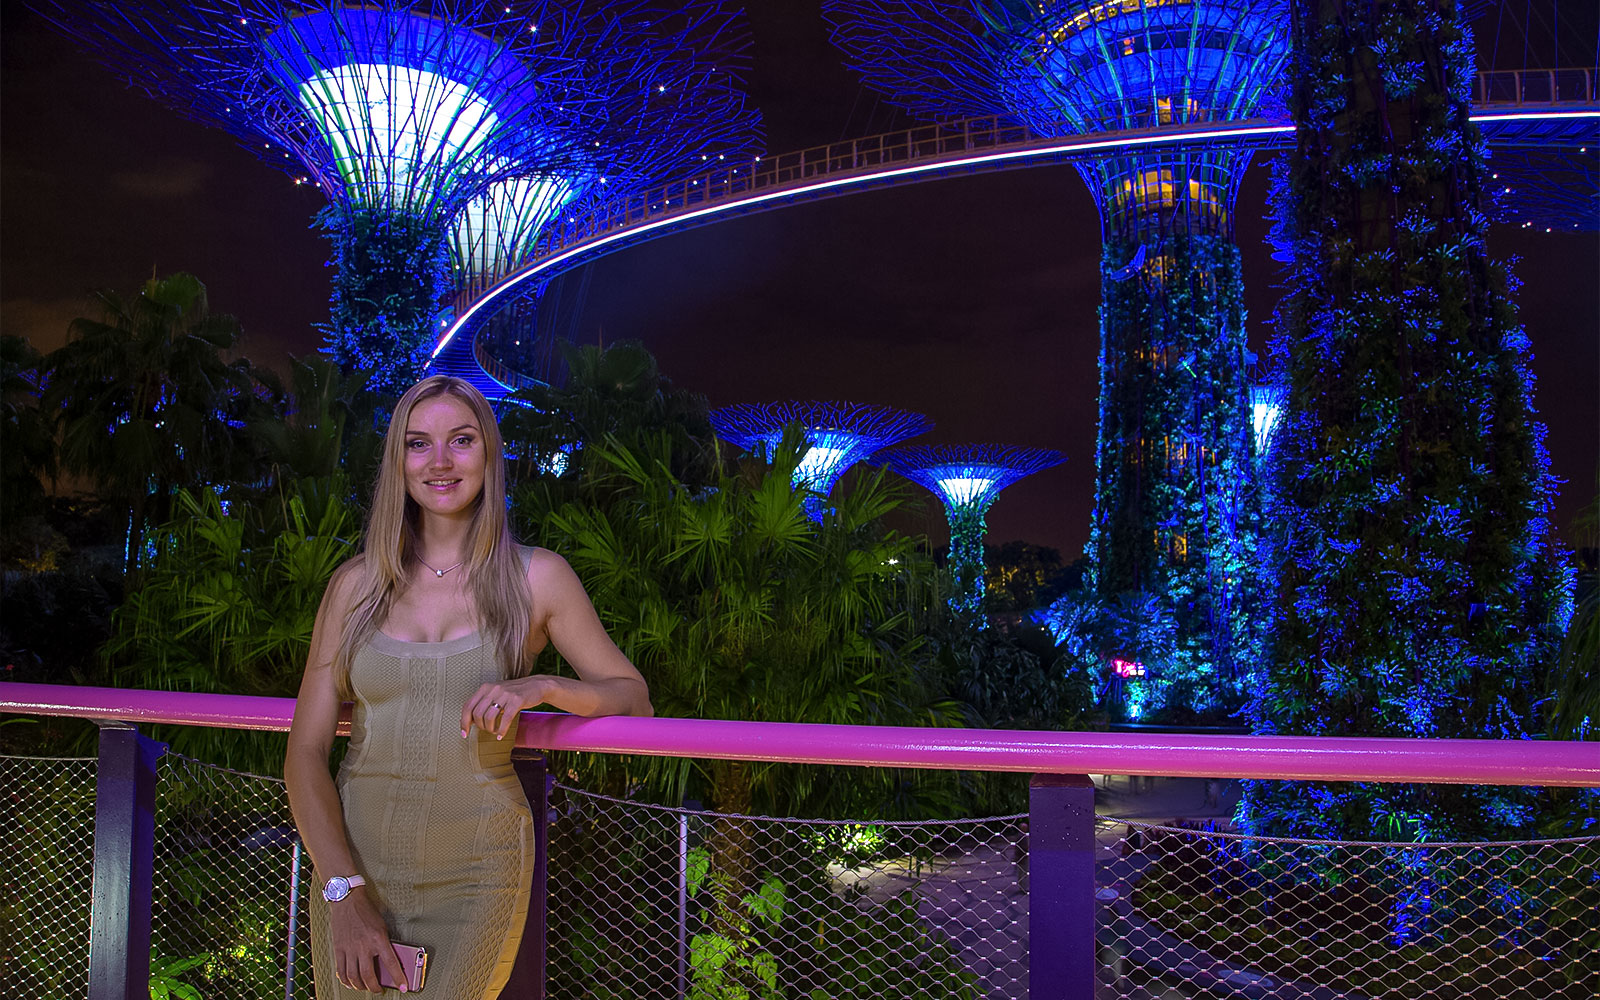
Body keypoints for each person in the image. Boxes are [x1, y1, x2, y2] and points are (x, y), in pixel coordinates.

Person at [285, 376, 652, 997]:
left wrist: (543, 686)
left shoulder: (537, 578)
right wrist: (342, 891)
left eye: (462, 440)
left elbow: (633, 699)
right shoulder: (354, 587)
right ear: (398, 461)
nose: (440, 462)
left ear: (489, 455)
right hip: (353, 865)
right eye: (418, 444)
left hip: (478, 870)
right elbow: (304, 751)